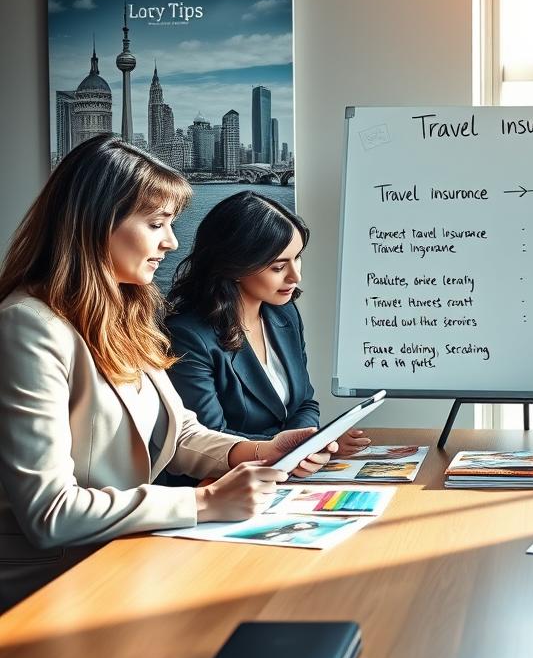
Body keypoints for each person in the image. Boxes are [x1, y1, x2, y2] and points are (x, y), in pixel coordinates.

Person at [0, 136, 338, 610]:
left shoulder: (122, 312)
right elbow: (51, 512)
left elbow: (177, 433)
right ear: (94, 224)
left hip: (126, 559)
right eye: (157, 223)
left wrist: (261, 450)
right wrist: (203, 504)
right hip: (58, 584)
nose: (172, 242)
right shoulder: (28, 326)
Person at [164, 191, 370, 453]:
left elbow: (304, 403)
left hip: (284, 473)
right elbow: (209, 439)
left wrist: (310, 443)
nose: (296, 276)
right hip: (222, 481)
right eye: (278, 266)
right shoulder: (188, 336)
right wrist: (296, 449)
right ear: (236, 266)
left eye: (297, 258)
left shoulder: (284, 314)